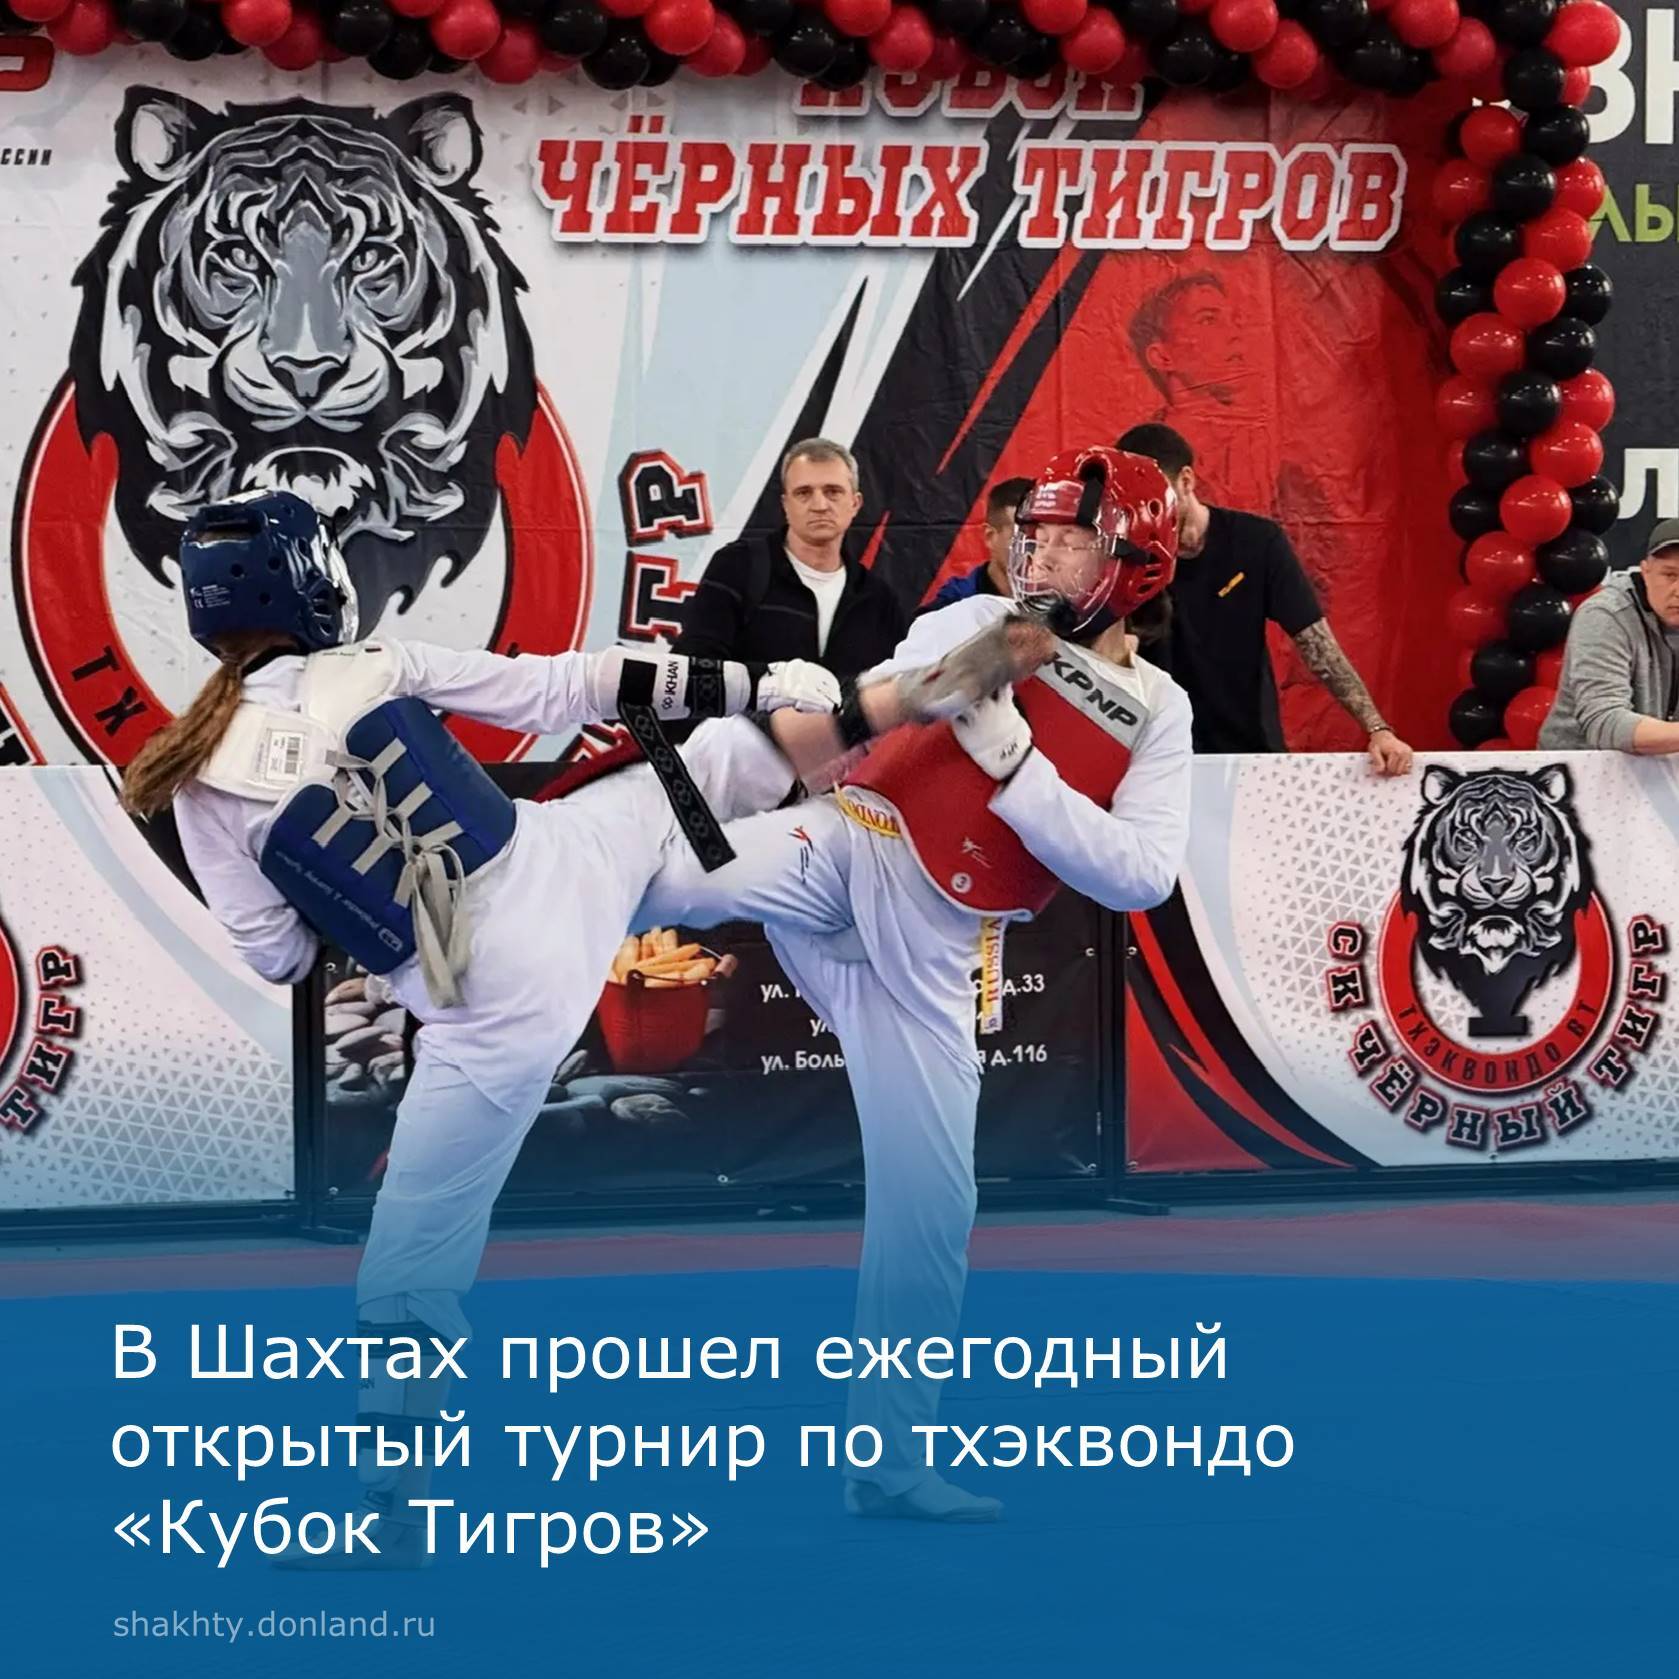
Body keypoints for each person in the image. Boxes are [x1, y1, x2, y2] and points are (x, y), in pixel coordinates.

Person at [121, 490, 1038, 1569]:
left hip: (482, 998)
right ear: (315, 582)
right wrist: (756, 679)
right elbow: (577, 683)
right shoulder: (368, 665)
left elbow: (278, 956)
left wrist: (351, 885)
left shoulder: (191, 779)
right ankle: (882, 702)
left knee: (415, 1250)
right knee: (712, 764)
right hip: (564, 869)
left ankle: (393, 1505)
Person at [636, 447, 1194, 1525]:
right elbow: (890, 701)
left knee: (932, 1203)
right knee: (671, 873)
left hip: (936, 946)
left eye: (1068, 540)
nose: (1037, 555)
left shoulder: (1154, 710)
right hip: (844, 845)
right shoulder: (974, 620)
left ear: (1132, 561)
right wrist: (947, 686)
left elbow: (1140, 874)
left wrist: (1019, 767)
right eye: (1032, 535)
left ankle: (889, 1461)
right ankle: (479, 882)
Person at [1117, 423, 1413, 775]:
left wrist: (1377, 729)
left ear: (1186, 481)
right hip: (1159, 756)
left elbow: (1317, 645)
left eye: (1156, 499)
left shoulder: (1256, 542)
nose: (1148, 512)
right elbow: (1114, 655)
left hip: (1249, 753)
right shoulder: (1126, 558)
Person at [675, 437, 908, 681]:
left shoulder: (878, 599)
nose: (820, 505)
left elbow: (892, 687)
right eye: (803, 493)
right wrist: (771, 698)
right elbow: (693, 671)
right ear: (786, 504)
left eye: (833, 492)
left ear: (855, 503)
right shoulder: (737, 568)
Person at [1540, 519, 1679, 753]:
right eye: (1670, 575)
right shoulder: (1606, 615)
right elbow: (1605, 723)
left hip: (1662, 764)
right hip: (1580, 766)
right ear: (1646, 572)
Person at [921, 476, 1033, 612]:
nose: (1033, 550)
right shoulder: (950, 610)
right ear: (990, 537)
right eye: (1021, 538)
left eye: (1043, 538)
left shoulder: (1056, 604)